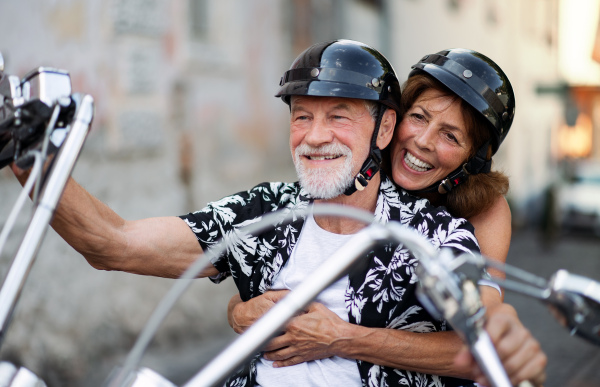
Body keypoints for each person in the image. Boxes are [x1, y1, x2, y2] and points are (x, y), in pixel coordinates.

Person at [11, 40, 541, 387]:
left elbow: (484, 318)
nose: (314, 136)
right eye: (302, 116)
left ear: (380, 128)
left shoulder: (441, 228)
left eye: (338, 116)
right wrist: (30, 155)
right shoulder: (270, 210)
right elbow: (114, 243)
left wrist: (502, 333)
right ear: (398, 123)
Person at [226, 48, 547, 386]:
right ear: (391, 119)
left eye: (450, 135)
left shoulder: (486, 209)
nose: (422, 141)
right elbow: (280, 280)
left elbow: (484, 310)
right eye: (419, 117)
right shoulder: (356, 172)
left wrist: (346, 338)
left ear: (476, 157)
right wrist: (237, 310)